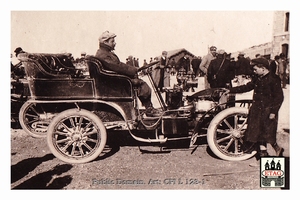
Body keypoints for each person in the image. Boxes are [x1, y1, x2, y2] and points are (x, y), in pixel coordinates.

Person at [224, 57, 284, 166]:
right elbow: (248, 87)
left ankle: (272, 153)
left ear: (263, 68)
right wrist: (231, 90)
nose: (254, 71)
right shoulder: (258, 78)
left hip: (268, 111)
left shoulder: (273, 79)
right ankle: (267, 155)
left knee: (267, 135)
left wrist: (273, 112)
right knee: (259, 135)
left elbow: (279, 97)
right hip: (257, 110)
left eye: (256, 69)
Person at [95, 31, 161, 117]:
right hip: (115, 84)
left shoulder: (104, 53)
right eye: (112, 41)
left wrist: (135, 69)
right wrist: (134, 70)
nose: (115, 43)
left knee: (140, 82)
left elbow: (119, 65)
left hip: (113, 81)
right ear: (105, 42)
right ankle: (149, 109)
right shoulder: (104, 54)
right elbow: (117, 67)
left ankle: (148, 108)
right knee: (142, 85)